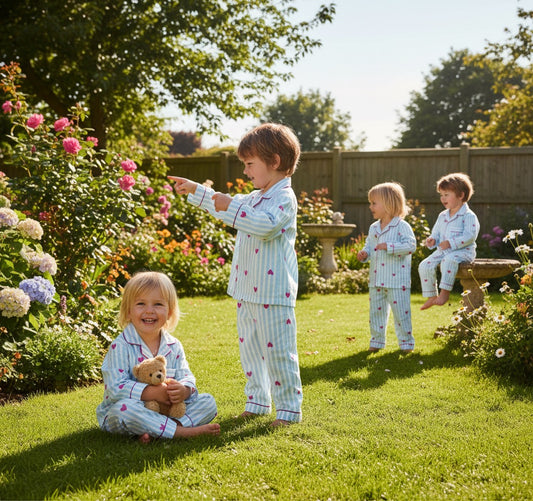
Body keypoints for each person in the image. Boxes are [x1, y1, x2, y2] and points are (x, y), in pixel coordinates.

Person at [169, 123, 303, 427]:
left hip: (273, 293)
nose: (245, 171)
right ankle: (257, 402)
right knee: (251, 353)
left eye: (249, 164)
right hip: (247, 290)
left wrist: (230, 207)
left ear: (275, 161)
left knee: (279, 354)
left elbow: (264, 226)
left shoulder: (284, 198)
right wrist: (197, 190)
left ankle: (288, 411)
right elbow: (222, 203)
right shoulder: (255, 197)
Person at [96, 271, 220, 443]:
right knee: (125, 410)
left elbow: (186, 375)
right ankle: (181, 432)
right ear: (128, 311)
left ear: (169, 311)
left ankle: (156, 430)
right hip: (129, 410)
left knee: (208, 402)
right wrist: (153, 392)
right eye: (141, 304)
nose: (149, 311)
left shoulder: (174, 345)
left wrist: (183, 390)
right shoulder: (121, 346)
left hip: (166, 410)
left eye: (158, 304)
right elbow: (115, 388)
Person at [357, 182, 416, 353]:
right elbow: (369, 246)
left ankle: (406, 344)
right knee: (376, 313)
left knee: (401, 314)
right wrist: (364, 254)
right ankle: (376, 341)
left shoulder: (402, 226)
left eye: (374, 203)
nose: (370, 207)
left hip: (397, 281)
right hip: (376, 280)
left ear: (388, 204)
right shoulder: (374, 228)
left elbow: (410, 246)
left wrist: (389, 247)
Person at [419, 172, 480, 310]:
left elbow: (470, 236)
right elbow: (436, 233)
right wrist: (432, 240)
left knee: (448, 260)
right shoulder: (442, 216)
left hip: (463, 252)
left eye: (446, 194)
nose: (443, 198)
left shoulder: (468, 216)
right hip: (443, 251)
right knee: (424, 265)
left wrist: (451, 243)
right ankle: (431, 296)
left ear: (461, 195)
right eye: (441, 195)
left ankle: (444, 294)